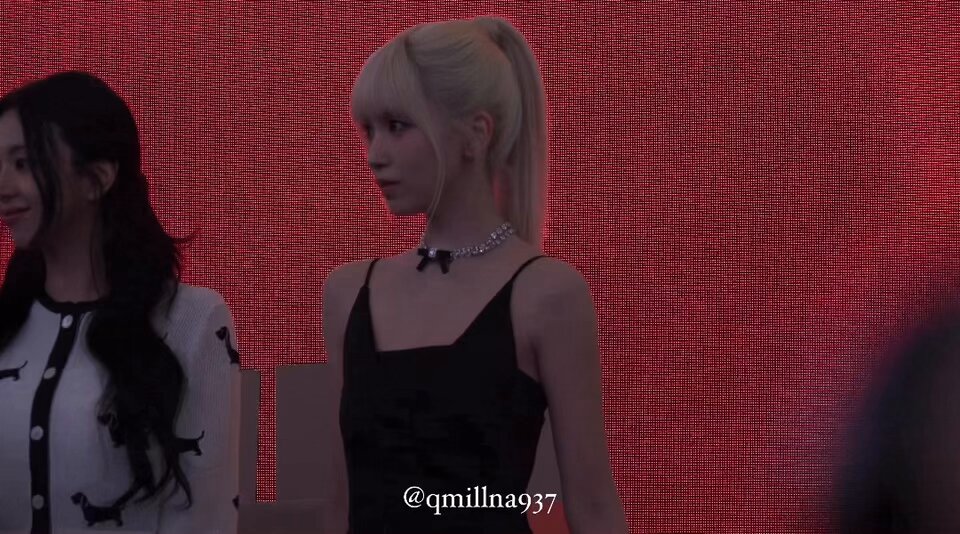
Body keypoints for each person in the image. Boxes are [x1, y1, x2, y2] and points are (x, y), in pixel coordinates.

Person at [321, 17, 627, 534]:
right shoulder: (349, 292)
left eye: (397, 126)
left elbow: (593, 506)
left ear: (475, 134)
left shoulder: (546, 294)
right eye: (368, 131)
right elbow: (340, 503)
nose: (374, 155)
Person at [0, 72, 240, 533]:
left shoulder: (191, 319)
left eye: (23, 163)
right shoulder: (9, 323)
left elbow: (205, 514)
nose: (3, 185)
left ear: (98, 178)